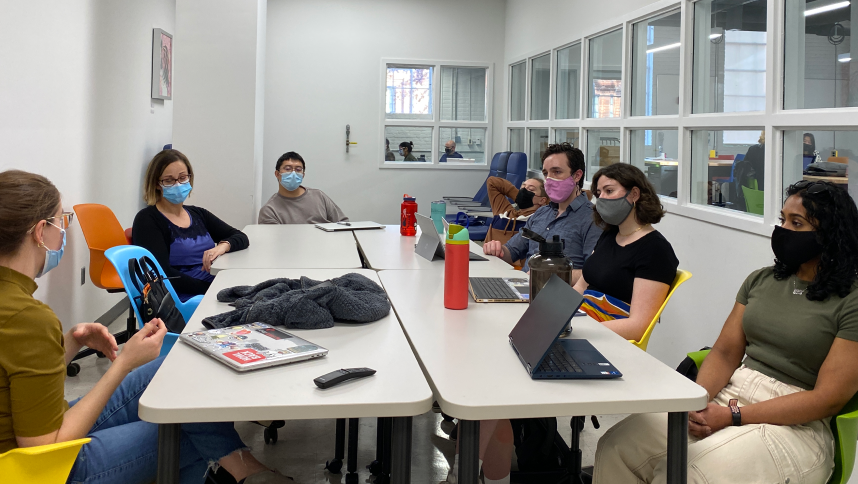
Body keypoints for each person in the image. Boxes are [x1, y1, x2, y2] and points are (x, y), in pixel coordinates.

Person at [0, 170, 291, 483]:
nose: (65, 231)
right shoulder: (28, 317)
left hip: (35, 430)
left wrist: (70, 342)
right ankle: (243, 471)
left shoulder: (19, 309)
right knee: (181, 424)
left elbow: (18, 383)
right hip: (36, 469)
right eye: (62, 221)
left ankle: (229, 473)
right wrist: (124, 363)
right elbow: (44, 447)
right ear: (40, 232)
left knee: (177, 366)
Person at [594, 180, 858, 484]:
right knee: (618, 446)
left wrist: (734, 417)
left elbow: (828, 399)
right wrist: (700, 402)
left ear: (830, 234)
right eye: (782, 219)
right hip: (731, 393)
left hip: (797, 422)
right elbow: (724, 352)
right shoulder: (761, 280)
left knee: (684, 474)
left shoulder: (851, 300)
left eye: (796, 223)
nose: (783, 229)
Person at [573, 163, 678, 341]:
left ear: (634, 194)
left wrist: (579, 329)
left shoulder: (656, 250)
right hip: (582, 324)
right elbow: (580, 287)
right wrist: (555, 313)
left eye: (609, 191)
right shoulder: (609, 236)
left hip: (603, 339)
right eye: (599, 194)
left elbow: (638, 326)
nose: (602, 199)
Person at [132, 149, 249, 302]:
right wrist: (211, 290)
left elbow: (241, 237)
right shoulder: (148, 219)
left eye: (182, 178)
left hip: (213, 287)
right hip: (184, 297)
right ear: (156, 184)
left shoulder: (198, 214)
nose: (178, 184)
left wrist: (222, 246)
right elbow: (162, 274)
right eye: (169, 180)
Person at [483, 142, 602, 281]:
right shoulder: (541, 213)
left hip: (557, 295)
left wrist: (550, 274)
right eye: (546, 173)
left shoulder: (593, 219)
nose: (549, 179)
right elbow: (513, 251)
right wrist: (497, 250)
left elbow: (595, 273)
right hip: (524, 288)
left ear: (577, 176)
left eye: (557, 172)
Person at [258, 151, 348, 224]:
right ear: (277, 174)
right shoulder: (269, 211)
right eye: (288, 169)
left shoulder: (318, 196)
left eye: (298, 169)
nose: (293, 173)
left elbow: (343, 223)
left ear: (303, 175)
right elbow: (273, 242)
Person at [482, 176, 549, 256]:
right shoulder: (504, 211)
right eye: (523, 187)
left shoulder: (539, 220)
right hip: (488, 261)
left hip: (513, 266)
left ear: (542, 200)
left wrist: (544, 201)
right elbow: (492, 182)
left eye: (530, 189)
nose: (524, 190)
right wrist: (519, 197)